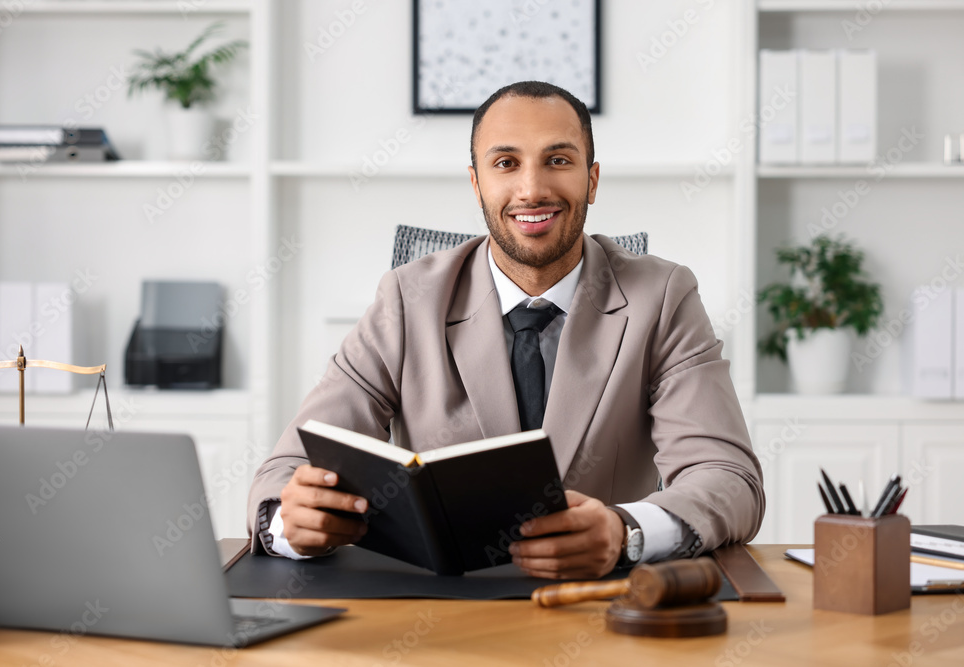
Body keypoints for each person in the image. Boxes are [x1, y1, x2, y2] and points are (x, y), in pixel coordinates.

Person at [247, 81, 764, 579]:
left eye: (558, 161)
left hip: (599, 604)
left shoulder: (664, 295)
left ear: (592, 178)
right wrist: (292, 524)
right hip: (439, 609)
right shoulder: (406, 299)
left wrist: (626, 532)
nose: (532, 189)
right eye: (505, 163)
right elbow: (286, 468)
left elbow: (728, 478)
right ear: (477, 184)